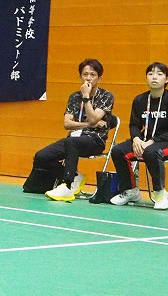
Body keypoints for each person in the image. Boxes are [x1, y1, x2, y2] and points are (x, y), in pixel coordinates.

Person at [26, 58, 114, 201]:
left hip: (94, 140)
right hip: (73, 139)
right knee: (41, 156)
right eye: (85, 74)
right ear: (80, 76)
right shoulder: (74, 97)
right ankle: (74, 175)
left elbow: (93, 118)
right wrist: (89, 124)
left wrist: (86, 97)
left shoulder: (106, 96)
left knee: (71, 143)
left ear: (99, 78)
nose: (88, 78)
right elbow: (67, 123)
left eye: (92, 75)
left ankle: (67, 185)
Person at [109, 62, 168, 210]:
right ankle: (130, 190)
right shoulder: (140, 100)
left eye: (159, 74)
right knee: (118, 151)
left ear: (167, 79)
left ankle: (160, 193)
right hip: (144, 142)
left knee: (152, 152)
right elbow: (134, 124)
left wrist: (151, 142)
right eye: (150, 74)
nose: (154, 77)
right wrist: (136, 139)